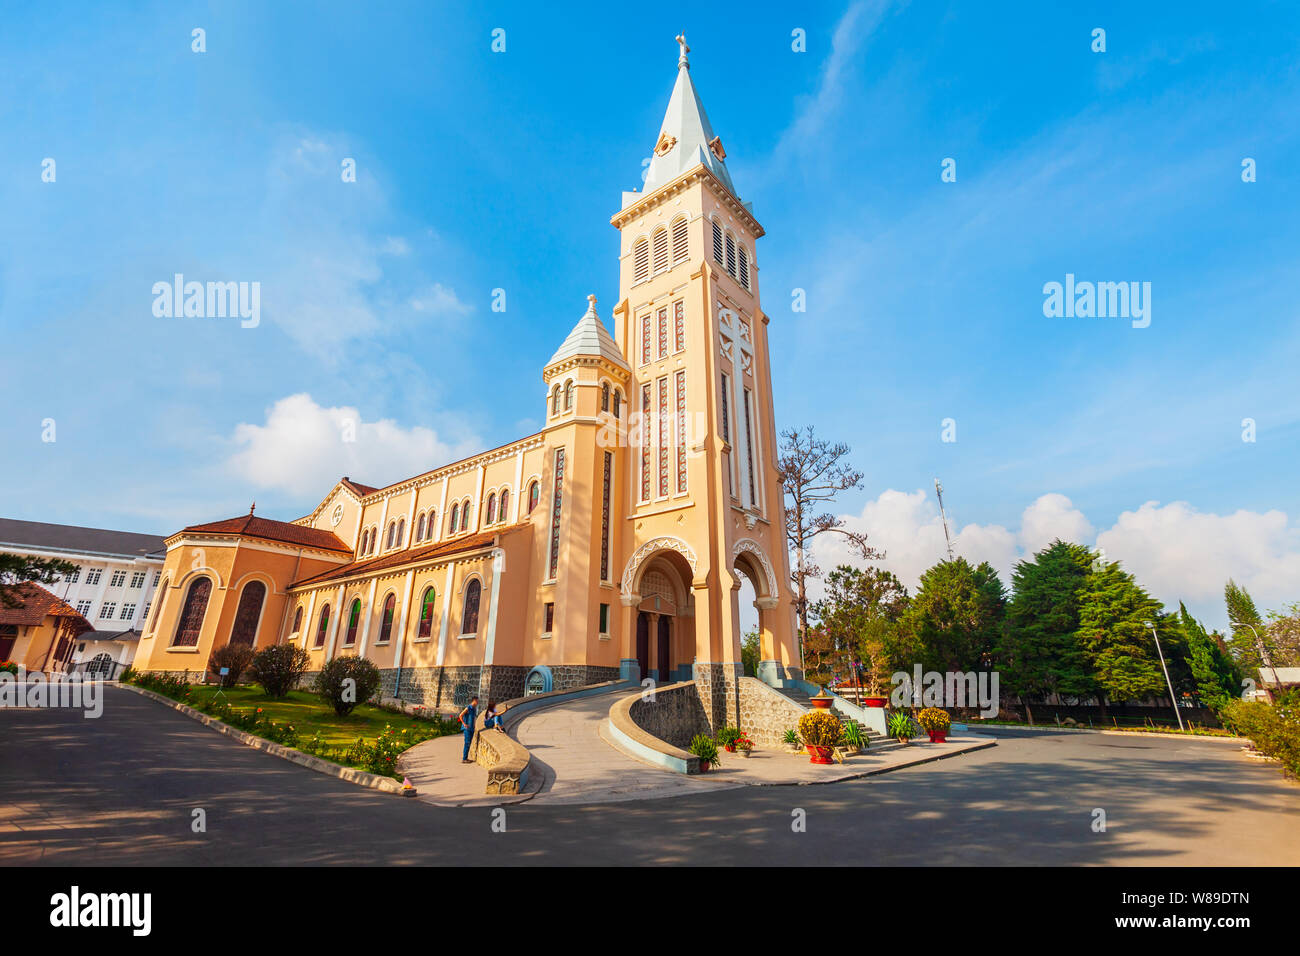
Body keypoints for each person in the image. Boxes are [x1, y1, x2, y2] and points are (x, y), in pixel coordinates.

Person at [458, 695, 478, 763]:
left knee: (469, 743)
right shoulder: (468, 708)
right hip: (467, 729)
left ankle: (466, 758)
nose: (478, 702)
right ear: (474, 700)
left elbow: (474, 718)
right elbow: (460, 715)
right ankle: (464, 759)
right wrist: (464, 723)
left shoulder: (474, 709)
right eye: (477, 701)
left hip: (471, 728)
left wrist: (475, 726)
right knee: (467, 743)